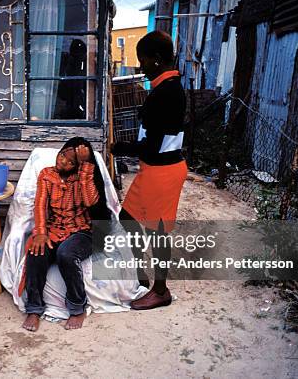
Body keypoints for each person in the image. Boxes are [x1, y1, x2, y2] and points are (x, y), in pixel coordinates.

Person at [111, 30, 187, 310]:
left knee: (157, 231)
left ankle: (160, 290)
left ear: (156, 59)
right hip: (155, 169)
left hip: (162, 170)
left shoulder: (165, 92)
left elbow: (151, 147)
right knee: (128, 216)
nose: (140, 66)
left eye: (142, 60)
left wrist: (120, 148)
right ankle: (142, 276)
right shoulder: (167, 87)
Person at [20, 137, 109, 332]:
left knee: (66, 254)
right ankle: (34, 308)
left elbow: (90, 202)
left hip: (83, 231)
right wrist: (41, 232)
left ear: (77, 165)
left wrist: (86, 166)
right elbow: (40, 205)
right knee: (37, 251)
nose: (62, 162)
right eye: (62, 156)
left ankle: (77, 308)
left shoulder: (84, 176)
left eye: (70, 162)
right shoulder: (46, 175)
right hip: (55, 228)